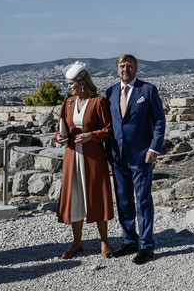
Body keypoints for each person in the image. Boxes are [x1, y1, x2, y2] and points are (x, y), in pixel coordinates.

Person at [106, 54, 166, 265]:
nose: (125, 70)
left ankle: (147, 245)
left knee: (142, 200)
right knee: (123, 200)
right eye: (122, 66)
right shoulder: (111, 91)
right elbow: (110, 124)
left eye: (129, 66)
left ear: (136, 68)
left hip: (142, 155)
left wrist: (154, 148)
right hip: (118, 155)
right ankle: (130, 239)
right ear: (117, 69)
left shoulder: (147, 90)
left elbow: (159, 121)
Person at [54, 61, 114, 259]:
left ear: (82, 83)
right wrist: (59, 137)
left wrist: (91, 135)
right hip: (72, 156)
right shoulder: (68, 103)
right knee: (75, 198)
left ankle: (104, 240)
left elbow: (108, 130)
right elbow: (60, 130)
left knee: (96, 195)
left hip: (93, 156)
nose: (68, 87)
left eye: (71, 84)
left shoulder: (98, 102)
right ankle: (77, 242)